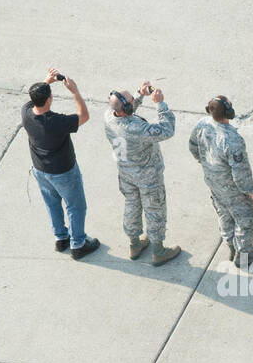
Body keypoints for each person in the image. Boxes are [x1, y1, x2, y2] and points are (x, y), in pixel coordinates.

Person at [23, 68, 99, 259]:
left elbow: (35, 100)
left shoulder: (25, 113)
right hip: (63, 172)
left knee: (52, 203)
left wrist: (45, 82)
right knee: (76, 206)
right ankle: (78, 244)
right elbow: (84, 116)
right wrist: (75, 91)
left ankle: (61, 237)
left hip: (40, 170)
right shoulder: (56, 122)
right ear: (49, 100)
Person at [105, 82, 180, 266]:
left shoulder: (108, 116)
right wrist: (160, 104)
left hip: (126, 173)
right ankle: (158, 252)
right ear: (127, 107)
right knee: (154, 210)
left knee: (132, 206)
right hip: (147, 176)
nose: (133, 100)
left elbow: (126, 111)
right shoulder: (135, 129)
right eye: (132, 100)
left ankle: (135, 244)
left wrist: (139, 95)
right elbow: (167, 130)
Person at [189, 95, 253, 267]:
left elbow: (192, 146)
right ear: (228, 112)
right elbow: (240, 172)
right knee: (245, 221)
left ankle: (231, 246)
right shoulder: (232, 140)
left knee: (224, 214)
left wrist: (206, 164)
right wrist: (251, 191)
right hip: (233, 189)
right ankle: (243, 258)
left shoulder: (202, 123)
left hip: (213, 182)